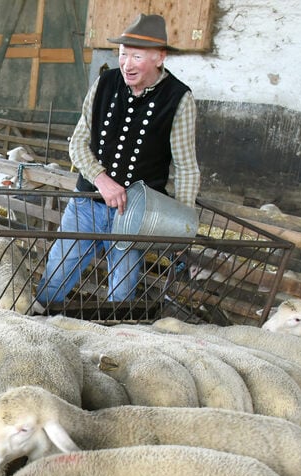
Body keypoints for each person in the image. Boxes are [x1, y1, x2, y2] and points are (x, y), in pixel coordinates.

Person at [35, 13, 201, 305]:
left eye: (136, 56)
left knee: (121, 294)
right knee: (56, 276)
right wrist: (102, 180)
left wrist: (183, 227)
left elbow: (186, 168)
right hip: (86, 203)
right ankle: (34, 328)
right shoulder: (103, 83)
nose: (126, 64)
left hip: (135, 214)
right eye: (123, 54)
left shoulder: (179, 99)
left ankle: (111, 344)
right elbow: (77, 143)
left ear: (159, 58)